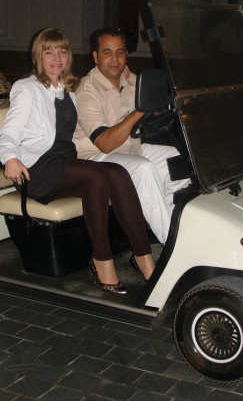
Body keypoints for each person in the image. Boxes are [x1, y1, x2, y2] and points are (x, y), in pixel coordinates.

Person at [0, 27, 155, 294]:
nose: (57, 58)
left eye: (62, 51)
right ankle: (102, 260)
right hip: (36, 169)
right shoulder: (27, 88)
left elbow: (102, 77)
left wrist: (125, 74)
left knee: (118, 172)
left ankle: (144, 259)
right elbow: (8, 133)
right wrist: (10, 158)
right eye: (49, 52)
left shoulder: (68, 88)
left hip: (65, 162)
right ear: (38, 56)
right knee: (98, 175)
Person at [74, 28, 191, 244]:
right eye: (107, 52)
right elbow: (105, 143)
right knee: (144, 169)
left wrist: (177, 100)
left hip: (130, 149)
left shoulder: (132, 82)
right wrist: (140, 111)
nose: (114, 59)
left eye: (120, 52)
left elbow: (157, 105)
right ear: (95, 57)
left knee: (178, 160)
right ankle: (173, 244)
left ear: (126, 55)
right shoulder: (86, 91)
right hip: (96, 160)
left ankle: (164, 225)